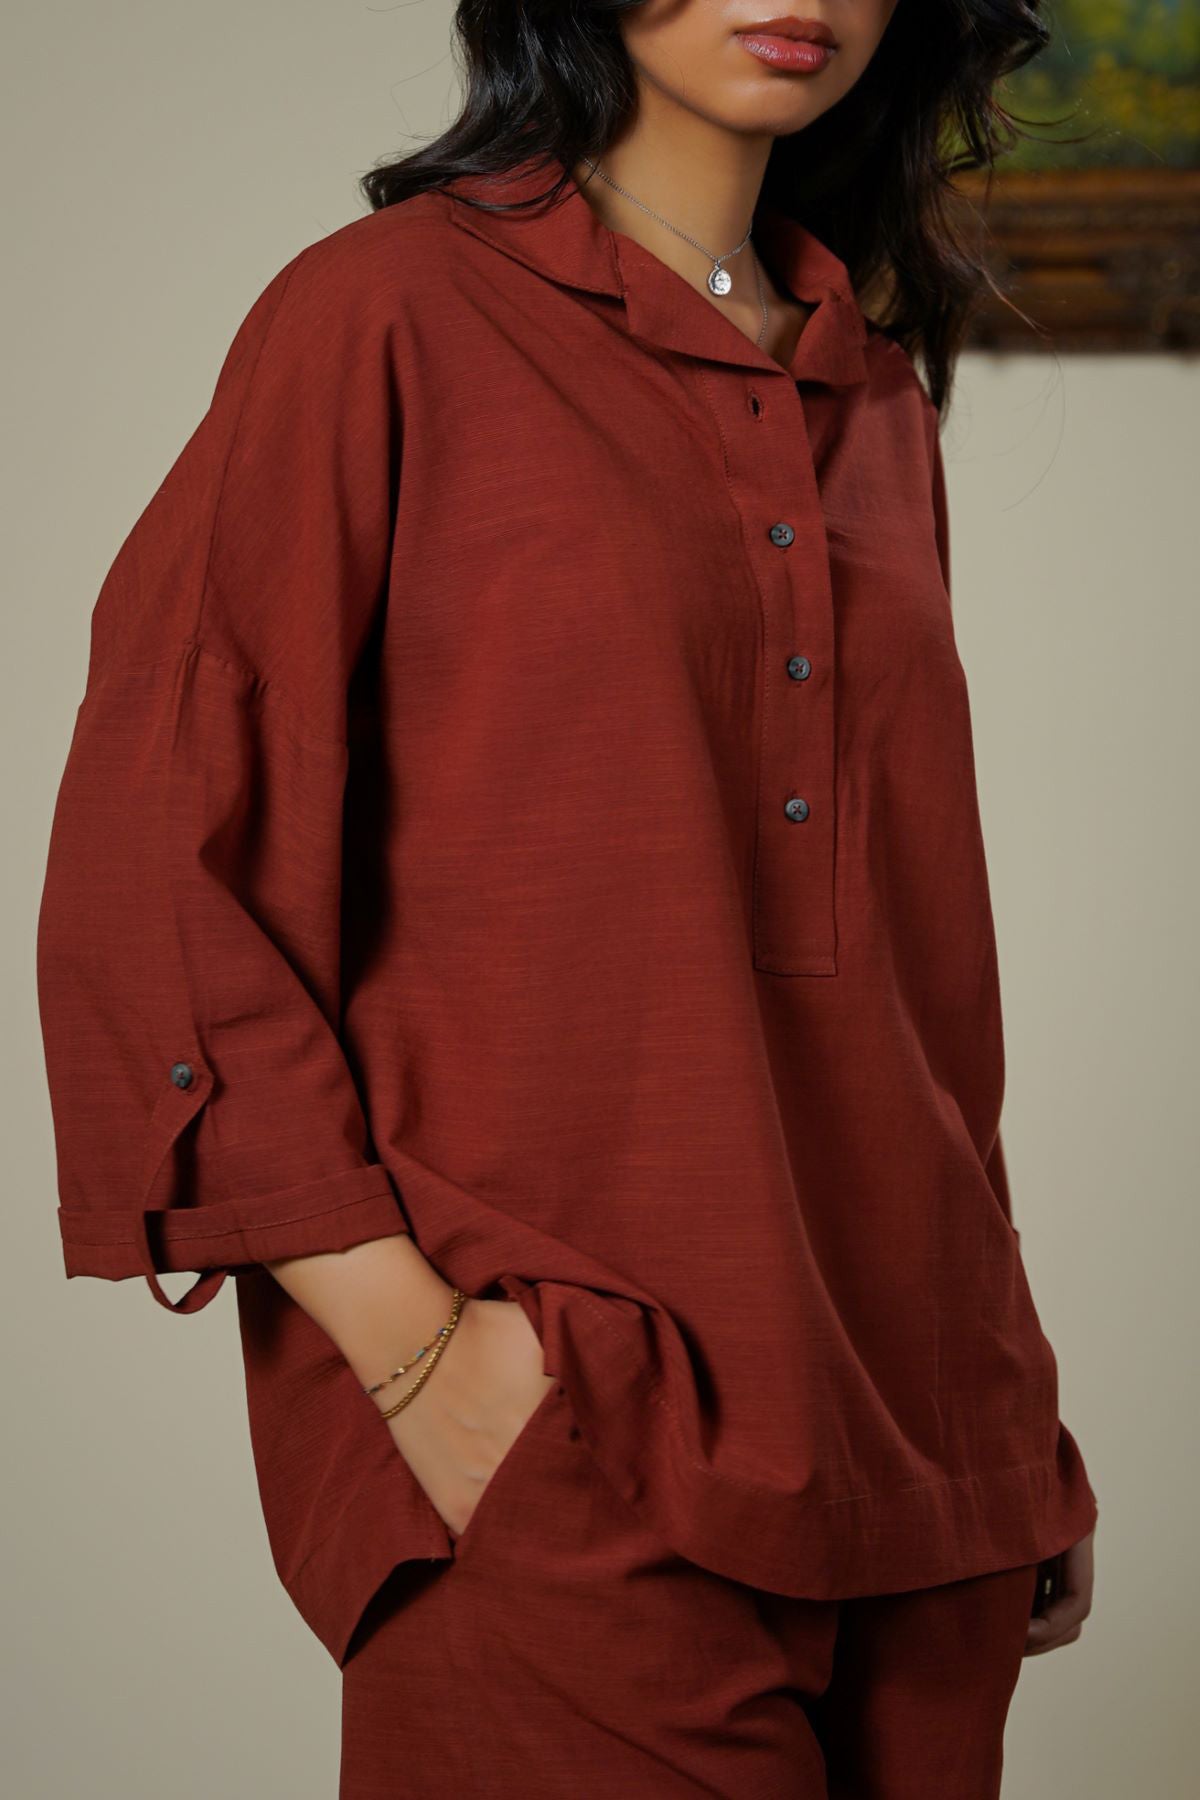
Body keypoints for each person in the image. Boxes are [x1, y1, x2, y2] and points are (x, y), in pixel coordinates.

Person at [36, 1, 1098, 1794]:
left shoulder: (869, 389)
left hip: (929, 1446)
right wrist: (417, 1355)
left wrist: (1010, 1408)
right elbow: (159, 846)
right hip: (579, 1429)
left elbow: (918, 969)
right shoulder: (387, 315)